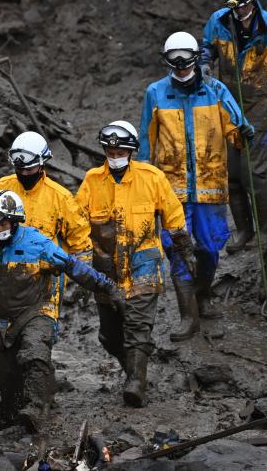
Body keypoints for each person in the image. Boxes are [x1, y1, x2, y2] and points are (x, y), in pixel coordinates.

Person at [0, 190, 122, 429]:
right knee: (6, 376)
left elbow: (73, 266)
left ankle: (37, 409)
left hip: (36, 310)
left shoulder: (38, 244)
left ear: (15, 221)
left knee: (34, 352)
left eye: (2, 223)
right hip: (1, 316)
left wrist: (107, 287)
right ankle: (14, 412)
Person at [76, 121, 194, 406]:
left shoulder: (152, 178)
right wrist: (79, 266)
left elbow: (173, 215)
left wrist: (185, 250)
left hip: (144, 262)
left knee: (138, 325)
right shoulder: (92, 181)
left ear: (131, 151)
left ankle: (136, 383)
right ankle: (133, 369)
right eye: (110, 152)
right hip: (106, 269)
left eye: (121, 152)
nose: (115, 156)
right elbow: (77, 224)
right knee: (109, 336)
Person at [139, 32, 252, 323]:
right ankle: (187, 315)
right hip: (171, 189)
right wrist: (142, 180)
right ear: (167, 61)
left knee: (210, 247)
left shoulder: (215, 90)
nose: (180, 67)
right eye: (174, 61)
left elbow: (236, 130)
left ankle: (202, 295)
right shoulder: (155, 93)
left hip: (210, 184)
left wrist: (243, 132)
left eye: (186, 60)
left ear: (195, 59)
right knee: (177, 248)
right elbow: (146, 142)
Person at [201, 0, 267, 250]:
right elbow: (206, 48)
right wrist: (204, 63)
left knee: (252, 173)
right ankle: (244, 230)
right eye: (235, 6)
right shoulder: (219, 22)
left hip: (262, 106)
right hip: (229, 106)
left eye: (244, 5)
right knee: (232, 175)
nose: (240, 11)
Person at [0, 131, 92, 314]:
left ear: (42, 164)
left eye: (29, 170)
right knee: (1, 328)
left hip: (43, 284)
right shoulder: (3, 187)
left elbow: (80, 243)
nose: (24, 174)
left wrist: (84, 281)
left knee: (39, 330)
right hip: (4, 276)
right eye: (20, 169)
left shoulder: (60, 197)